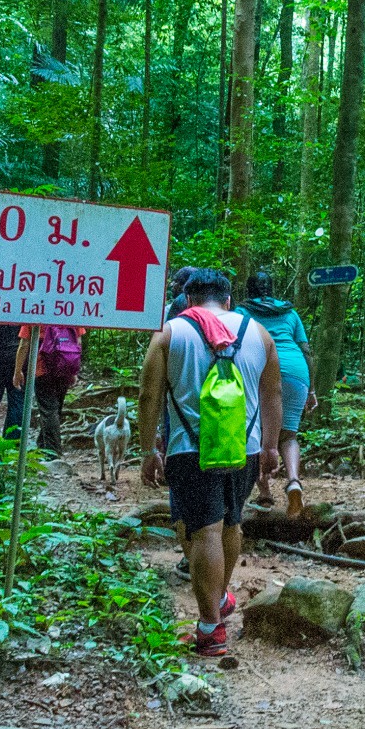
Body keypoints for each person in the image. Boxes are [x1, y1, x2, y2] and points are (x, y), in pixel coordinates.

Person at [139, 269, 283, 657]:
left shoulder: (169, 333)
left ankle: (209, 631)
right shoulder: (259, 333)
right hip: (245, 448)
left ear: (187, 300)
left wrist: (147, 449)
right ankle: (218, 600)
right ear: (229, 301)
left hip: (189, 448)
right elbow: (273, 394)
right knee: (231, 523)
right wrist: (271, 447)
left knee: (203, 533)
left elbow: (148, 396)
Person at [238, 271, 313, 515]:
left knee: (260, 434)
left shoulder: (242, 312)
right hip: (296, 369)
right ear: (272, 289)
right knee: (288, 435)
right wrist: (311, 389)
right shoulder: (290, 313)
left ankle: (265, 493)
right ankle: (293, 481)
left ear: (249, 290)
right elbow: (306, 350)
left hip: (262, 368)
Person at [28, 325, 84, 450]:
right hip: (64, 365)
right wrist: (74, 370)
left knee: (49, 411)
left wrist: (17, 371)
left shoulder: (35, 311)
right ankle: (42, 445)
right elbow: (78, 341)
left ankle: (53, 452)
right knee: (55, 409)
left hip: (42, 368)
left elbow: (24, 343)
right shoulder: (72, 313)